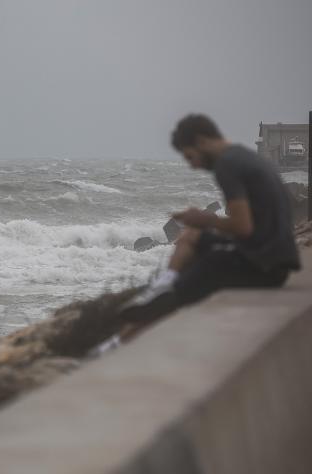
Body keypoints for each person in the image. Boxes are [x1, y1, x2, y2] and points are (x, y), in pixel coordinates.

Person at [92, 114, 301, 356]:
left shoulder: (226, 165)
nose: (192, 165)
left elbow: (243, 227)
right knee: (193, 236)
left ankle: (119, 344)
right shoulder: (244, 156)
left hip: (261, 266)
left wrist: (204, 219)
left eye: (190, 157)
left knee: (180, 288)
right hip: (272, 257)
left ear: (202, 141)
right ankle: (164, 283)